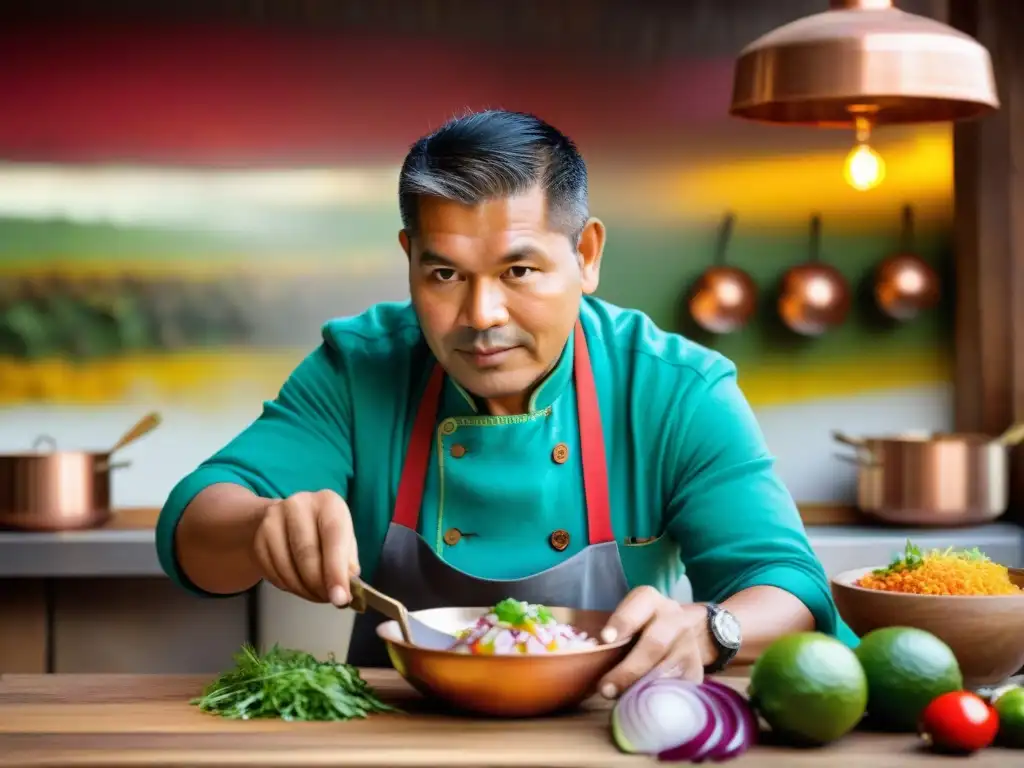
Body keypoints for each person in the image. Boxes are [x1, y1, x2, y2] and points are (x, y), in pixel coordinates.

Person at [157, 109, 854, 699]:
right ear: (408, 258)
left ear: (586, 253)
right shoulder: (358, 367)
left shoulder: (674, 389)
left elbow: (787, 583)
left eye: (518, 271)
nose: (480, 315)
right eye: (444, 274)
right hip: (388, 748)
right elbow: (194, 526)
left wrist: (712, 626)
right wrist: (259, 525)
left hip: (609, 737)